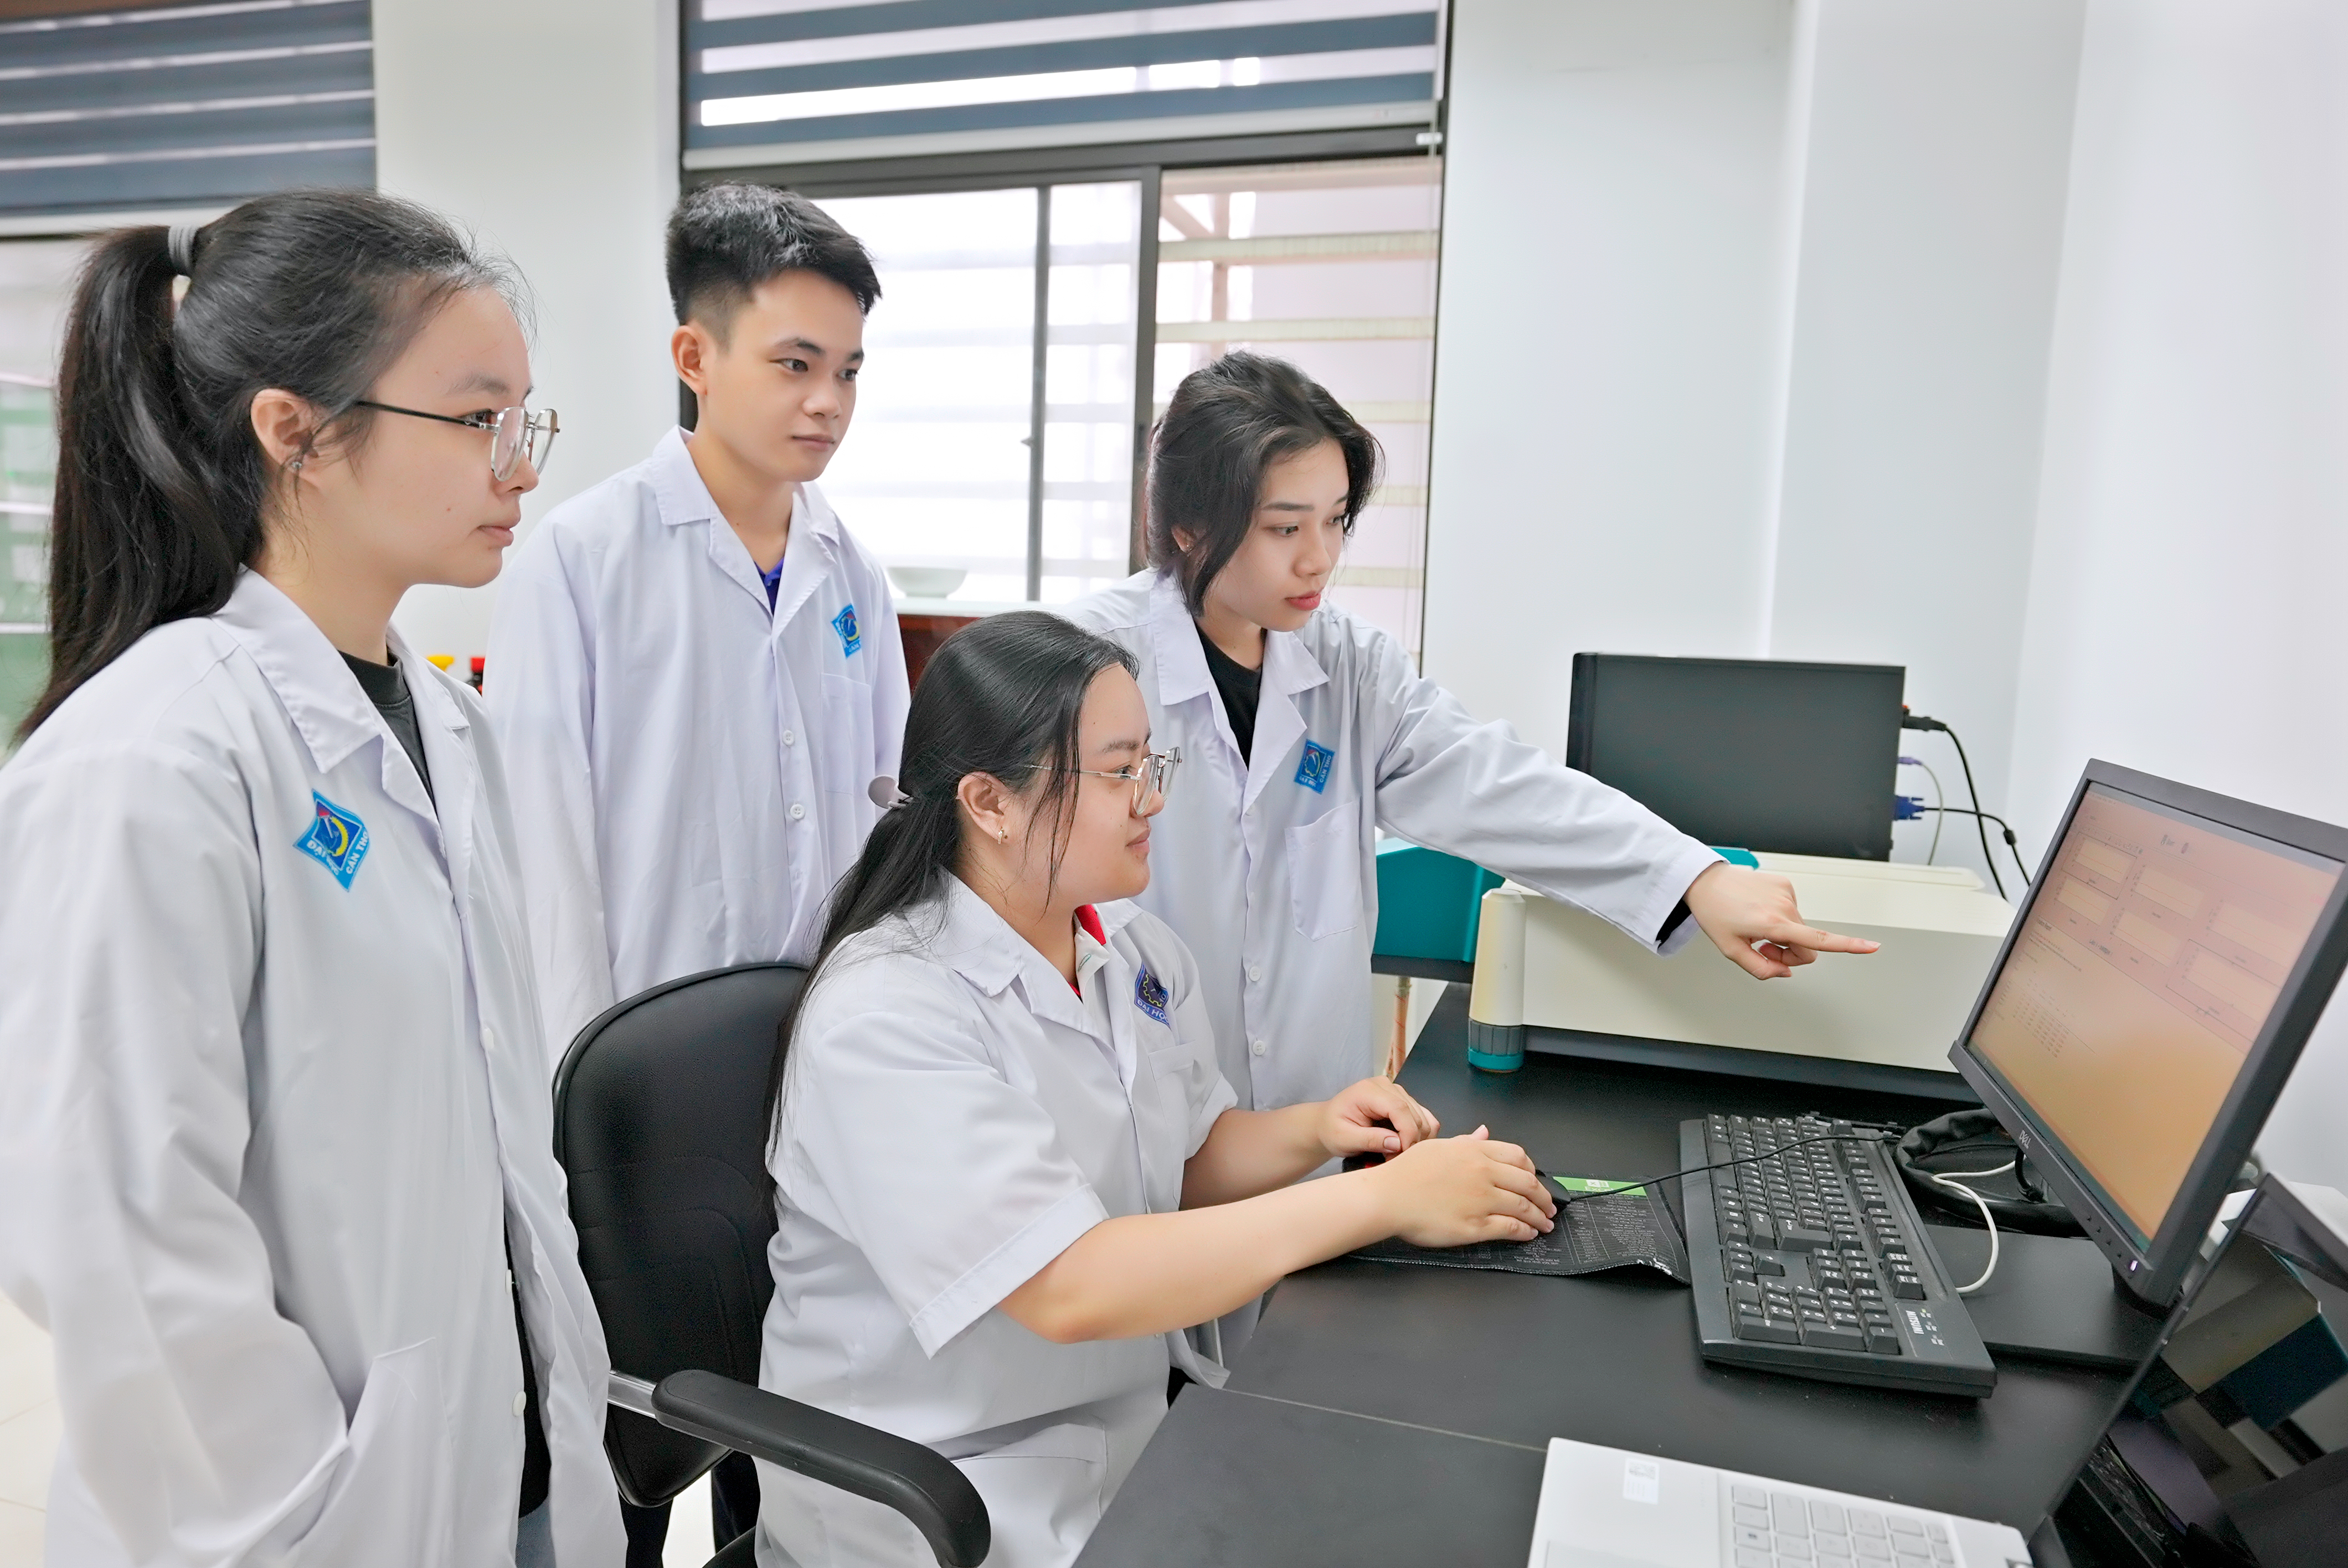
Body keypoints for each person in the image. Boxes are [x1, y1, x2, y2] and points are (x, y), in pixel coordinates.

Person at [0, 193, 620, 1565]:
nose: (518, 469)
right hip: (300, 1515)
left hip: (499, 1455)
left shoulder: (438, 725)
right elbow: (115, 1232)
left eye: (526, 420)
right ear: (296, 433)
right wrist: (304, 1500)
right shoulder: (152, 756)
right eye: (476, 420)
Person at [755, 611, 1555, 1568]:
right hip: (945, 1488)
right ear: (990, 801)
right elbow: (1067, 1285)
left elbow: (1182, 1156)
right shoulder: (886, 1018)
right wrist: (1377, 1199)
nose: (1152, 800)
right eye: (1120, 771)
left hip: (1114, 1435)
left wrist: (1316, 1129)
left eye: (1153, 767)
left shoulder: (1126, 949)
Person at [1059, 350, 1878, 1108]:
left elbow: (1500, 785)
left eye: (1337, 520)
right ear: (1191, 527)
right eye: (1285, 528)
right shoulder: (1081, 665)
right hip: (1140, 1137)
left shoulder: (1350, 667)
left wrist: (1694, 878)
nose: (1320, 559)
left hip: (1313, 1139)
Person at [486, 184, 903, 1558]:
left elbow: (884, 822)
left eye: (846, 370)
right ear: (693, 358)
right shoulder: (582, 563)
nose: (827, 402)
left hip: (820, 1064)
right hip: (641, 1089)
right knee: (646, 1405)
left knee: (798, 1392)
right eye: (794, 364)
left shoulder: (851, 572)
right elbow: (546, 851)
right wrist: (573, 1117)